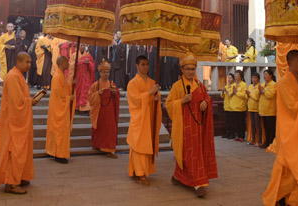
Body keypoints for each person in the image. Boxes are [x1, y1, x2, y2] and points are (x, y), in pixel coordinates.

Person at [263, 50, 298, 206]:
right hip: (288, 130)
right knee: (288, 167)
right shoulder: (283, 82)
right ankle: (279, 196)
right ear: (289, 62)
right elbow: (291, 107)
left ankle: (294, 199)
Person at [165, 51, 217, 197]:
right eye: (187, 69)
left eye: (192, 69)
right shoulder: (177, 86)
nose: (190, 72)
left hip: (198, 126)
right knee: (190, 154)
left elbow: (207, 98)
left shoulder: (200, 85)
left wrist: (205, 103)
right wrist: (181, 101)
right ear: (182, 70)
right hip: (184, 127)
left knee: (194, 153)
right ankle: (198, 183)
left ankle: (179, 177)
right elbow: (168, 104)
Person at [0, 52, 39, 194]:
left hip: (20, 120)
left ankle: (20, 176)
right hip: (13, 122)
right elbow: (17, 103)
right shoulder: (13, 76)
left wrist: (29, 100)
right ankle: (11, 183)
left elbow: (21, 98)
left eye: (30, 62)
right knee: (13, 150)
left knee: (22, 150)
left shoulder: (19, 75)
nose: (29, 65)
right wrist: (30, 102)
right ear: (18, 62)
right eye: (27, 62)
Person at [126, 55, 162, 186]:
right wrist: (149, 93)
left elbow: (154, 100)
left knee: (147, 144)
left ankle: (143, 171)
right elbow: (135, 101)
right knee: (138, 146)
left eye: (147, 64)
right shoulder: (132, 83)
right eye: (142, 64)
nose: (145, 67)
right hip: (139, 119)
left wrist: (156, 99)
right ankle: (139, 173)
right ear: (136, 65)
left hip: (149, 119)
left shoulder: (152, 82)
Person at [87, 59, 120, 158]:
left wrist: (115, 93)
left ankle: (109, 148)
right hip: (99, 111)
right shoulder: (95, 85)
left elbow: (117, 95)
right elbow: (89, 98)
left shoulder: (112, 85)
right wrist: (98, 94)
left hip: (109, 112)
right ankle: (98, 145)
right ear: (100, 73)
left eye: (107, 72)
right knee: (100, 129)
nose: (106, 74)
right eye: (104, 72)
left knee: (110, 130)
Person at [46, 56, 74, 164]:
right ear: (62, 63)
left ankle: (56, 152)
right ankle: (58, 154)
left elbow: (65, 89)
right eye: (67, 62)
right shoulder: (57, 77)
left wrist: (72, 84)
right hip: (58, 108)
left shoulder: (61, 75)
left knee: (61, 131)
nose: (68, 64)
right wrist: (68, 98)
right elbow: (58, 96)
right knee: (59, 131)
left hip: (62, 107)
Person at [69, 44, 95, 114]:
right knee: (77, 92)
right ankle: (77, 107)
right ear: (78, 46)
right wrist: (78, 62)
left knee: (86, 93)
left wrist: (89, 63)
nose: (82, 47)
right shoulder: (74, 55)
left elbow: (93, 66)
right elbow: (70, 65)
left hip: (86, 77)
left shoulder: (88, 55)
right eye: (80, 45)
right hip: (78, 77)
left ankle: (85, 109)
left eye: (83, 45)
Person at [256, 69, 277, 148]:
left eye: (266, 74)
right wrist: (260, 91)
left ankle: (271, 142)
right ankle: (266, 142)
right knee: (265, 128)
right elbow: (258, 96)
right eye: (264, 74)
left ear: (271, 75)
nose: (264, 76)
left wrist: (263, 91)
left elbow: (270, 95)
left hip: (270, 110)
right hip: (263, 110)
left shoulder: (273, 84)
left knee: (271, 128)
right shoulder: (263, 84)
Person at [230, 70, 248, 142]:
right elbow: (231, 94)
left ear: (241, 76)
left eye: (237, 74)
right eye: (235, 74)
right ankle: (237, 135)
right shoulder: (233, 84)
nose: (235, 76)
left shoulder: (244, 85)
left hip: (241, 107)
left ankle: (242, 136)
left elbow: (245, 96)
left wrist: (236, 92)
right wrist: (231, 93)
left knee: (241, 123)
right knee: (236, 123)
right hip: (233, 106)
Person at [247, 72, 262, 146]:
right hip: (250, 108)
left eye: (255, 78)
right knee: (252, 124)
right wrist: (247, 95)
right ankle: (253, 139)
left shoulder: (259, 86)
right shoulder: (250, 86)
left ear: (258, 79)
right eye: (252, 78)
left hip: (257, 108)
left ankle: (259, 141)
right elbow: (247, 97)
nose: (254, 79)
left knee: (257, 125)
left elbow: (257, 98)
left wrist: (250, 94)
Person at [220, 74, 234, 139]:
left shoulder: (234, 86)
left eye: (230, 78)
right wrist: (223, 91)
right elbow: (222, 96)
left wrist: (226, 90)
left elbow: (230, 95)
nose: (229, 79)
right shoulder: (226, 86)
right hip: (226, 106)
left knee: (232, 121)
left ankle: (232, 133)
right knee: (227, 121)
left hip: (232, 106)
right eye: (228, 78)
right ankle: (227, 133)